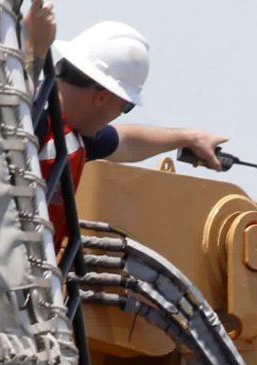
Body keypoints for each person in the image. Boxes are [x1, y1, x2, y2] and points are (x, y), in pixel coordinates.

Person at [24, 4, 231, 237]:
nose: (120, 114)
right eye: (126, 106)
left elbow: (127, 141)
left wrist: (190, 138)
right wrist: (34, 50)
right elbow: (15, 113)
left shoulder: (72, 134)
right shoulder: (35, 117)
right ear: (102, 96)